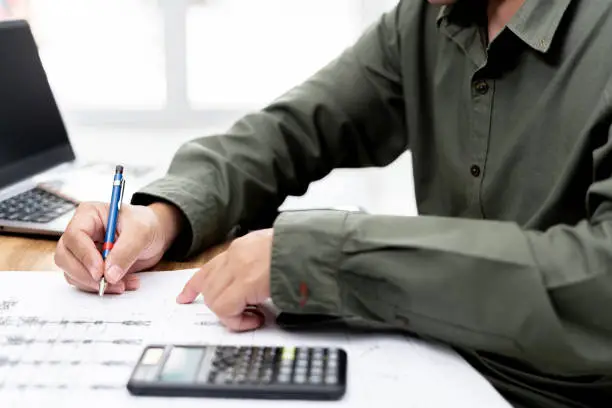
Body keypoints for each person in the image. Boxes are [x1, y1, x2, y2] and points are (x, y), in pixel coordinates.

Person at [55, 0, 612, 406]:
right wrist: (162, 215)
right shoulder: (426, 19)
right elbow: (293, 130)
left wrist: (327, 256)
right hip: (443, 365)